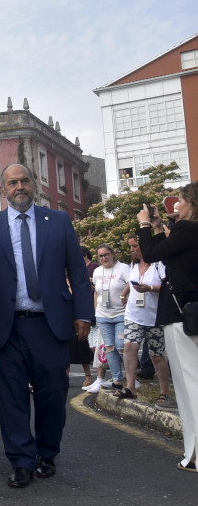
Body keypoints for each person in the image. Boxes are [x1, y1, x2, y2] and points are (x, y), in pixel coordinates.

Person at [0, 164, 92, 489]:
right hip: (4, 327)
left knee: (53, 393)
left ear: (33, 186)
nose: (19, 186)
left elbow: (78, 272)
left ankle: (46, 454)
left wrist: (84, 313)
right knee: (11, 398)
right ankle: (21, 461)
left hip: (50, 326)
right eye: (12, 182)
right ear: (3, 190)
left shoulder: (59, 222)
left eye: (24, 181)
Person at [136, 183, 198, 472]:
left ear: (192, 204)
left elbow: (150, 253)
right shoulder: (187, 233)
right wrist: (160, 228)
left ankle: (195, 455)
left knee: (189, 385)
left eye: (181, 201)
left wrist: (145, 224)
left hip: (181, 314)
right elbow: (167, 251)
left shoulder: (188, 230)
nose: (177, 206)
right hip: (189, 313)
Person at [115, 235, 172, 402]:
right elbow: (130, 283)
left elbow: (167, 286)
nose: (132, 249)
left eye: (135, 246)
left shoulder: (158, 264)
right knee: (129, 347)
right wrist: (124, 296)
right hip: (133, 314)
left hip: (155, 317)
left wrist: (150, 288)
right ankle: (130, 387)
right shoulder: (133, 264)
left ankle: (164, 392)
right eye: (130, 246)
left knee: (156, 355)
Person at [89, 244, 130, 390]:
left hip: (120, 313)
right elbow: (96, 292)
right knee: (109, 348)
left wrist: (123, 294)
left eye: (106, 254)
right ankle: (117, 379)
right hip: (103, 315)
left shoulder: (123, 268)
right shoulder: (97, 271)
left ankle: (132, 378)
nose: (104, 258)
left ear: (112, 254)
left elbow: (131, 283)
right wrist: (96, 310)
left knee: (121, 346)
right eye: (100, 256)